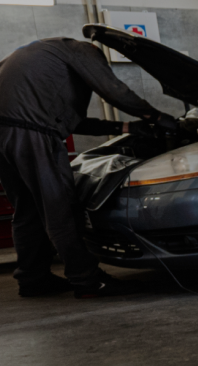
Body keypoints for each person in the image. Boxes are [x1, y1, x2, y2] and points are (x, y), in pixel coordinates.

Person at [0, 36, 175, 298]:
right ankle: (88, 281)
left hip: (6, 136)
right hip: (31, 135)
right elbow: (113, 90)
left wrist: (125, 128)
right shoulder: (82, 51)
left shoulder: (36, 56)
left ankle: (32, 278)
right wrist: (156, 116)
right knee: (59, 208)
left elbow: (69, 120)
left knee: (28, 210)